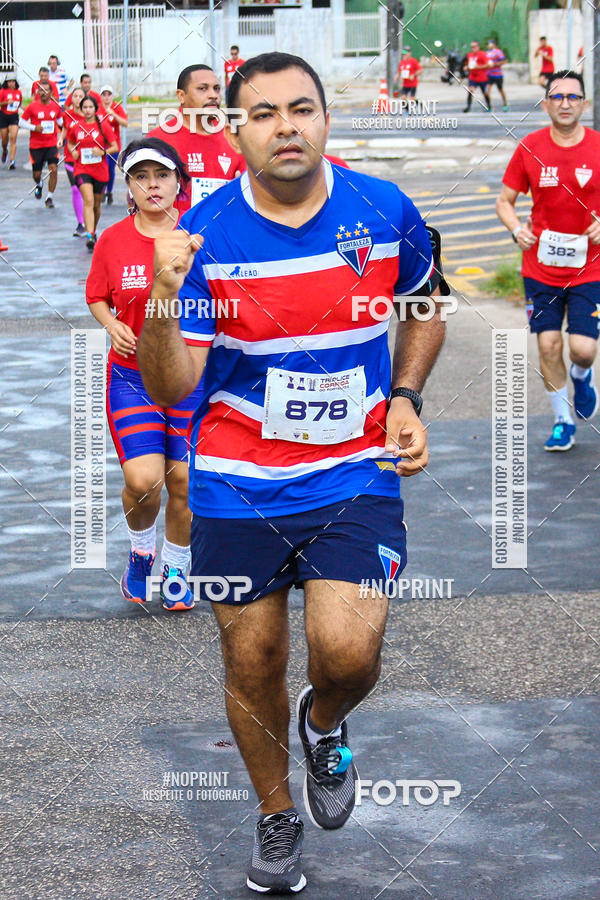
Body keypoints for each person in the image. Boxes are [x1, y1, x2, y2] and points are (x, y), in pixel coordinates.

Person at [137, 51, 445, 894]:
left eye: (301, 109)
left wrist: (408, 395)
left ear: (326, 119)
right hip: (236, 481)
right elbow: (171, 385)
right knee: (254, 657)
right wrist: (163, 298)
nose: (286, 126)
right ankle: (276, 816)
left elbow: (422, 304)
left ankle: (324, 721)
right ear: (234, 130)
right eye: (264, 113)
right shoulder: (201, 238)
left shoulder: (384, 211)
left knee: (347, 653)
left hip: (354, 473)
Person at [86, 137, 203, 609]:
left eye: (162, 175)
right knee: (143, 481)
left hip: (191, 379)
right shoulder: (113, 239)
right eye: (141, 177)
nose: (152, 185)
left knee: (185, 483)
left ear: (179, 180)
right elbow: (97, 295)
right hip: (132, 378)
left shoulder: (201, 234)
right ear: (128, 186)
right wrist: (112, 324)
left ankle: (177, 565)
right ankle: (140, 551)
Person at [496, 70, 600, 451]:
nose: (566, 103)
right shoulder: (530, 147)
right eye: (557, 97)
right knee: (548, 345)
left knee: (583, 349)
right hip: (540, 268)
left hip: (592, 267)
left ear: (584, 104)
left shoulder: (598, 146)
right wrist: (515, 229)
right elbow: (505, 201)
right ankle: (562, 420)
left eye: (573, 97)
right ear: (546, 105)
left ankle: (581, 376)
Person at [147, 64, 245, 212]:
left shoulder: (235, 137)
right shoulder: (157, 140)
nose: (213, 95)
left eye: (217, 89)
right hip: (174, 233)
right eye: (203, 88)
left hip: (221, 231)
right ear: (181, 96)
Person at [66, 94, 118, 250]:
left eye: (90, 107)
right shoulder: (77, 127)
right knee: (88, 200)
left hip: (100, 171)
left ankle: (93, 230)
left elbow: (114, 147)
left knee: (96, 205)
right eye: (85, 108)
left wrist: (102, 151)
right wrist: (73, 152)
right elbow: (70, 142)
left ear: (95, 109)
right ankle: (89, 235)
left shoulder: (103, 126)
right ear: (81, 109)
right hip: (82, 169)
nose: (87, 110)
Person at [20, 82, 63, 207]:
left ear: (51, 93)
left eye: (46, 90)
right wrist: (34, 127)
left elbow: (61, 122)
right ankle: (39, 184)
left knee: (53, 170)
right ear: (37, 93)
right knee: (36, 174)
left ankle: (49, 197)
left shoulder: (55, 107)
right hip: (36, 145)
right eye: (41, 91)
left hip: (51, 144)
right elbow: (21, 122)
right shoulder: (32, 106)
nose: (43, 93)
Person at [62, 87, 87, 236]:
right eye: (75, 96)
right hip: (70, 158)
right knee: (75, 189)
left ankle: (90, 223)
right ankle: (80, 223)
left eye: (80, 96)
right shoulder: (67, 115)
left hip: (86, 159)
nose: (77, 99)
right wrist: (60, 140)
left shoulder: (89, 115)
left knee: (87, 192)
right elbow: (65, 129)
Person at [98, 85, 128, 205]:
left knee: (110, 169)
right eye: (104, 94)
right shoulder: (97, 108)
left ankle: (109, 192)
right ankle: (101, 191)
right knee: (102, 168)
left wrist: (113, 114)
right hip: (100, 144)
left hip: (113, 144)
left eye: (108, 94)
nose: (106, 97)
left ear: (112, 96)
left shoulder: (117, 107)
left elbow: (125, 123)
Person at [0, 75, 22, 169]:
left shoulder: (18, 92)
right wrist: (6, 103)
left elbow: (20, 102)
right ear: (6, 83)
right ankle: (5, 150)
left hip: (14, 116)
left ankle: (12, 161)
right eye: (9, 82)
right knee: (4, 139)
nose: (11, 83)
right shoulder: (2, 92)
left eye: (13, 81)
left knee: (13, 137)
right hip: (4, 115)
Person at [463, 40, 490, 112]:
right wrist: (466, 67)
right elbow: (468, 64)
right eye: (471, 47)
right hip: (473, 77)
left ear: (478, 47)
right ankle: (468, 107)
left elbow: (487, 65)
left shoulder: (482, 54)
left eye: (474, 47)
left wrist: (478, 67)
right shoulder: (469, 55)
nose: (473, 49)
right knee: (470, 90)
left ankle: (489, 106)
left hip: (482, 77)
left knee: (485, 93)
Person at [486, 39, 508, 111]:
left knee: (500, 90)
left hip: (498, 75)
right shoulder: (486, 53)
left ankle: (505, 104)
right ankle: (489, 106)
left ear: (494, 45)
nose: (489, 45)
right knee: (487, 90)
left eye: (490, 44)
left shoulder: (498, 52)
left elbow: (504, 61)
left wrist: (495, 64)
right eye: (488, 44)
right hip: (489, 75)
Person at [397, 46, 422, 110]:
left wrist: (413, 75)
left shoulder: (413, 61)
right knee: (403, 97)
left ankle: (419, 103)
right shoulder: (401, 62)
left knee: (412, 99)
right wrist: (397, 75)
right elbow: (400, 71)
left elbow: (420, 70)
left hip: (412, 84)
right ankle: (408, 109)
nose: (404, 55)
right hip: (405, 84)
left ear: (409, 53)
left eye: (406, 53)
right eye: (403, 53)